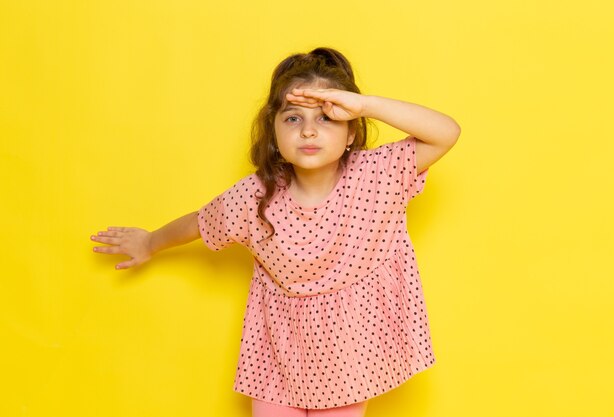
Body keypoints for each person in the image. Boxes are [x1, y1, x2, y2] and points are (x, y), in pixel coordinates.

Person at [91, 47, 461, 417]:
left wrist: (361, 105)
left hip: (352, 352)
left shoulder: (377, 173)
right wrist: (150, 241)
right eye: (293, 119)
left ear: (351, 134)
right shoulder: (256, 196)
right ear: (274, 134)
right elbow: (199, 223)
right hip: (277, 352)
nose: (309, 130)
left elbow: (446, 133)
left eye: (327, 119)